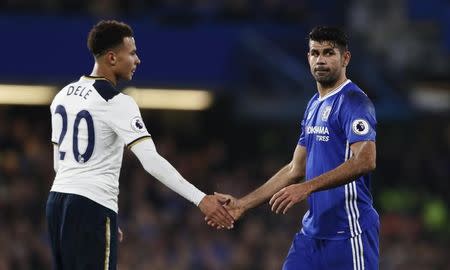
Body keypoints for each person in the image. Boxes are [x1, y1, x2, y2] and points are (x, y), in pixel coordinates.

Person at [45, 20, 234, 270]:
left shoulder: (63, 95)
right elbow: (151, 161)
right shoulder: (117, 101)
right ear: (112, 58)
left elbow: (59, 163)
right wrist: (201, 199)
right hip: (92, 205)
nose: (138, 60)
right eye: (132, 53)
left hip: (57, 204)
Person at [209, 26, 379, 269]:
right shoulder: (313, 105)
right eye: (315, 53)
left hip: (350, 233)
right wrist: (242, 204)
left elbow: (365, 160)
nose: (320, 59)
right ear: (308, 57)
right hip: (312, 236)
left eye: (329, 53)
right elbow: (294, 168)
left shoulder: (354, 102)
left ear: (345, 58)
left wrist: (306, 188)